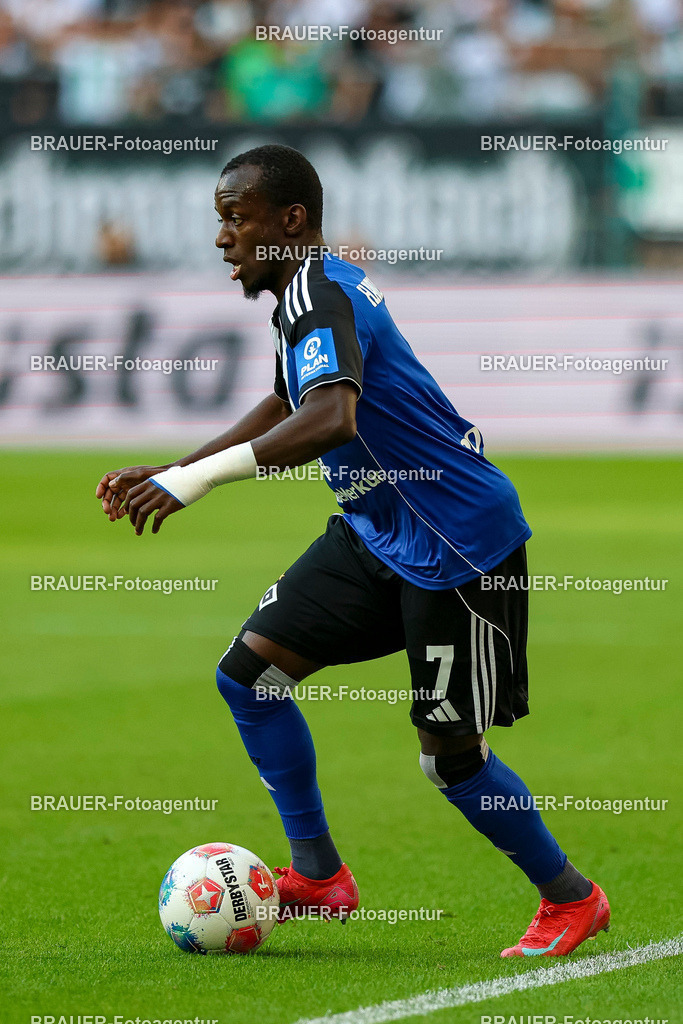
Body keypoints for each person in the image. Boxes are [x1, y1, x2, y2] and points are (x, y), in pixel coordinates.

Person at [96, 144, 610, 957]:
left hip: (456, 545)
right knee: (250, 677)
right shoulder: (306, 293)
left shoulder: (318, 291)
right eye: (221, 221)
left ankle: (571, 898)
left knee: (450, 760)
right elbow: (285, 400)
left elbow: (329, 417)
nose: (223, 238)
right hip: (377, 530)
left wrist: (196, 483)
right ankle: (319, 876)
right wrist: (176, 467)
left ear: (290, 220)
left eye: (237, 219)